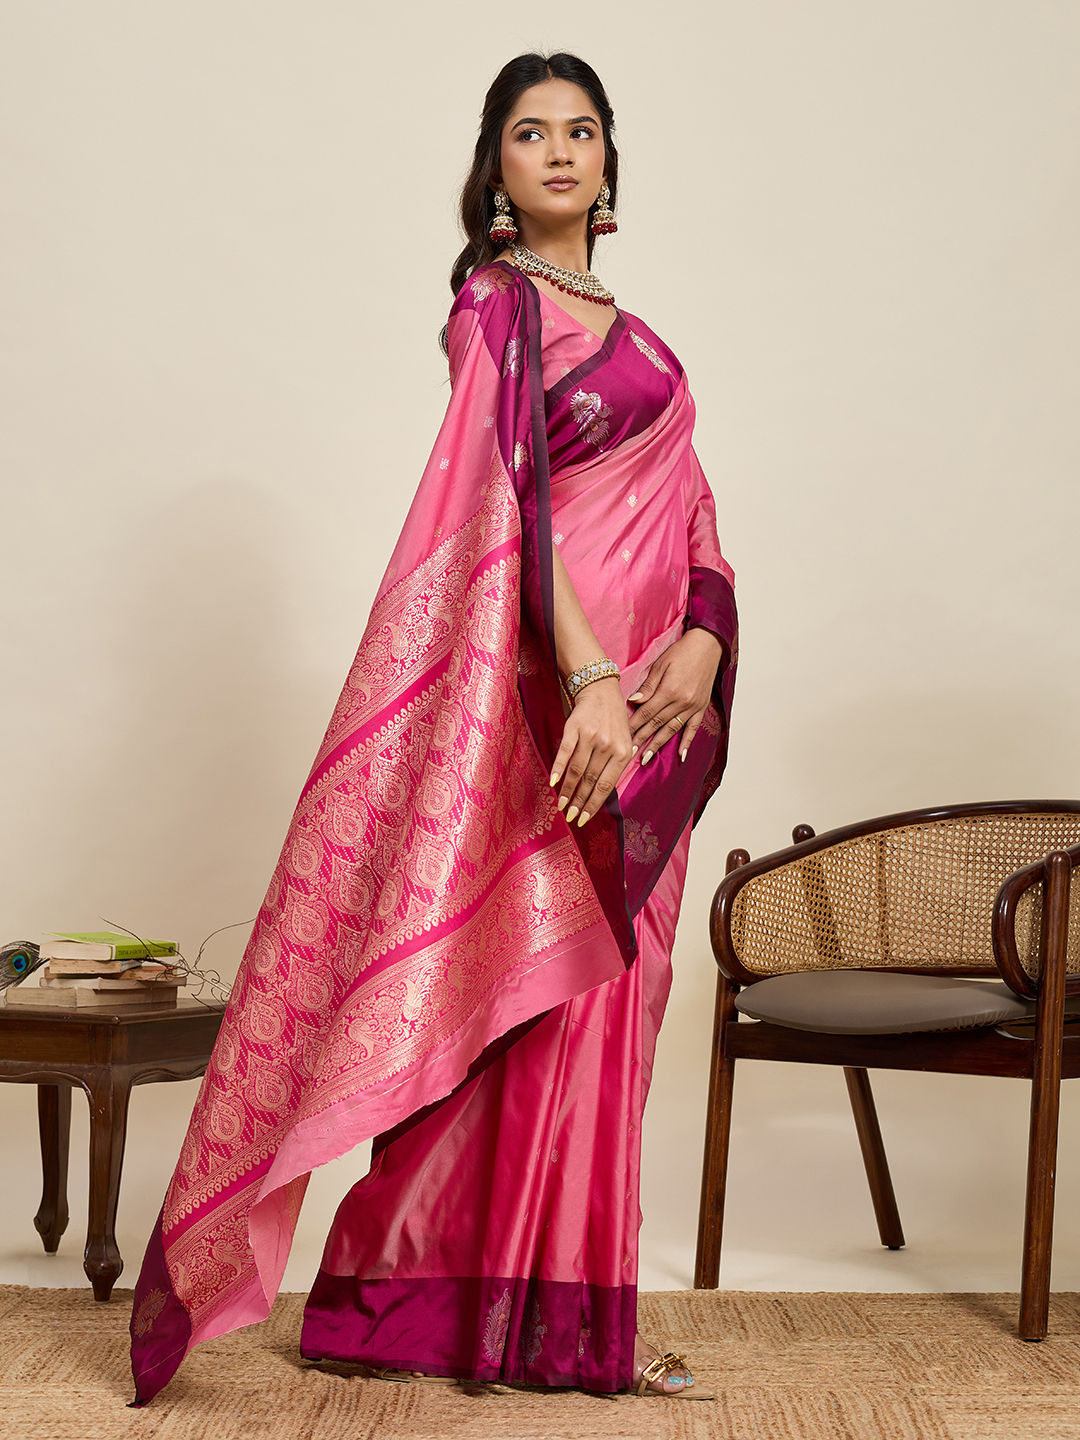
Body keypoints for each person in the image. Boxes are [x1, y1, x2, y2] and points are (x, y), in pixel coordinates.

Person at [128, 50, 738, 1407]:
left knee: (618, 1007)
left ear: (608, 160)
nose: (561, 150)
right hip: (553, 706)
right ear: (497, 170)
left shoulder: (639, 337)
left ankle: (574, 1319)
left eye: (583, 129)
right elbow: (504, 507)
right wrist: (589, 679)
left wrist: (701, 637)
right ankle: (417, 1302)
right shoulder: (494, 308)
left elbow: (695, 503)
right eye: (532, 132)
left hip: (657, 708)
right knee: (522, 997)